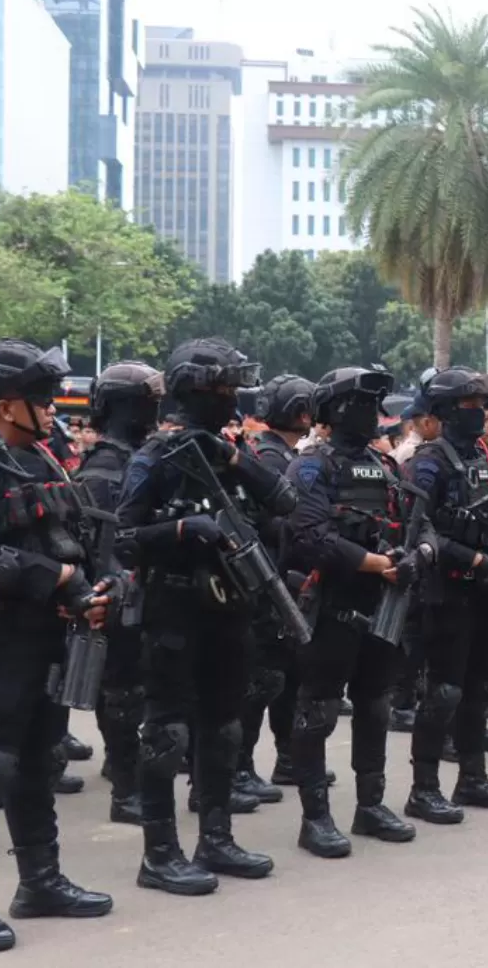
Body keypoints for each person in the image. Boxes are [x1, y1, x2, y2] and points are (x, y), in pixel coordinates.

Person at [0, 340, 114, 951]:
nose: (51, 409)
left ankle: (40, 881)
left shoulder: (43, 463)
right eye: (39, 399)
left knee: (40, 762)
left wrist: (97, 583)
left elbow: (73, 537)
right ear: (7, 406)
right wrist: (60, 578)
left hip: (48, 637)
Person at [117, 338, 291, 895]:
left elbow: (284, 501)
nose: (232, 398)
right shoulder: (154, 458)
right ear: (194, 389)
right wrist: (181, 531)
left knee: (224, 727)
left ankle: (215, 836)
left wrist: (233, 458)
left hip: (229, 608)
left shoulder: (228, 453)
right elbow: (122, 539)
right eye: (222, 388)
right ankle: (159, 853)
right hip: (173, 608)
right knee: (166, 733)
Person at [281, 366, 417, 855]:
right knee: (317, 710)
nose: (372, 414)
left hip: (380, 605)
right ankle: (315, 818)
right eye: (362, 404)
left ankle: (370, 805)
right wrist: (376, 563)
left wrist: (410, 556)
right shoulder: (312, 465)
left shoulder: (383, 466)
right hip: (331, 604)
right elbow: (308, 536)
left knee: (375, 704)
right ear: (336, 411)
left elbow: (405, 524)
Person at [396, 367, 488, 823]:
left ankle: (472, 777)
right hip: (446, 590)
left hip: (486, 589)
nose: (481, 414)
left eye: (482, 405)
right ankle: (423, 788)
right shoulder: (430, 459)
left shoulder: (482, 454)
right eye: (471, 406)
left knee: (481, 687)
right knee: (444, 691)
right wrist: (469, 559)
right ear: (449, 411)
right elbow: (419, 526)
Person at [70, 360, 162, 827]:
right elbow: (102, 545)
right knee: (123, 690)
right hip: (121, 593)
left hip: (149, 587)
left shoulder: (140, 459)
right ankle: (127, 787)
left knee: (135, 690)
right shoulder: (104, 470)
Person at [234, 373, 320, 807]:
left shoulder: (279, 453)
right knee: (264, 677)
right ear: (301, 412)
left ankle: (287, 757)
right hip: (268, 576)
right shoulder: (268, 458)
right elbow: (267, 520)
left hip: (285, 576)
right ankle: (241, 765)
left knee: (287, 675)